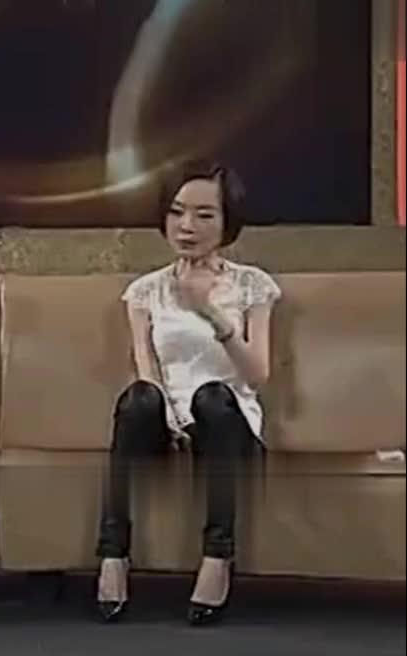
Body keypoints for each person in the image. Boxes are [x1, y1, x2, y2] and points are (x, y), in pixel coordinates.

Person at [94, 162, 280, 627]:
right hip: (169, 422)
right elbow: (148, 370)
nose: (187, 226)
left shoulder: (253, 285)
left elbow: (257, 375)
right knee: (137, 398)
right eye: (177, 212)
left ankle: (218, 556)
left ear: (227, 222)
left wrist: (208, 311)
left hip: (227, 423)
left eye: (204, 215)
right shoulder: (145, 292)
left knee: (213, 397)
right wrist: (172, 423)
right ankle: (113, 554)